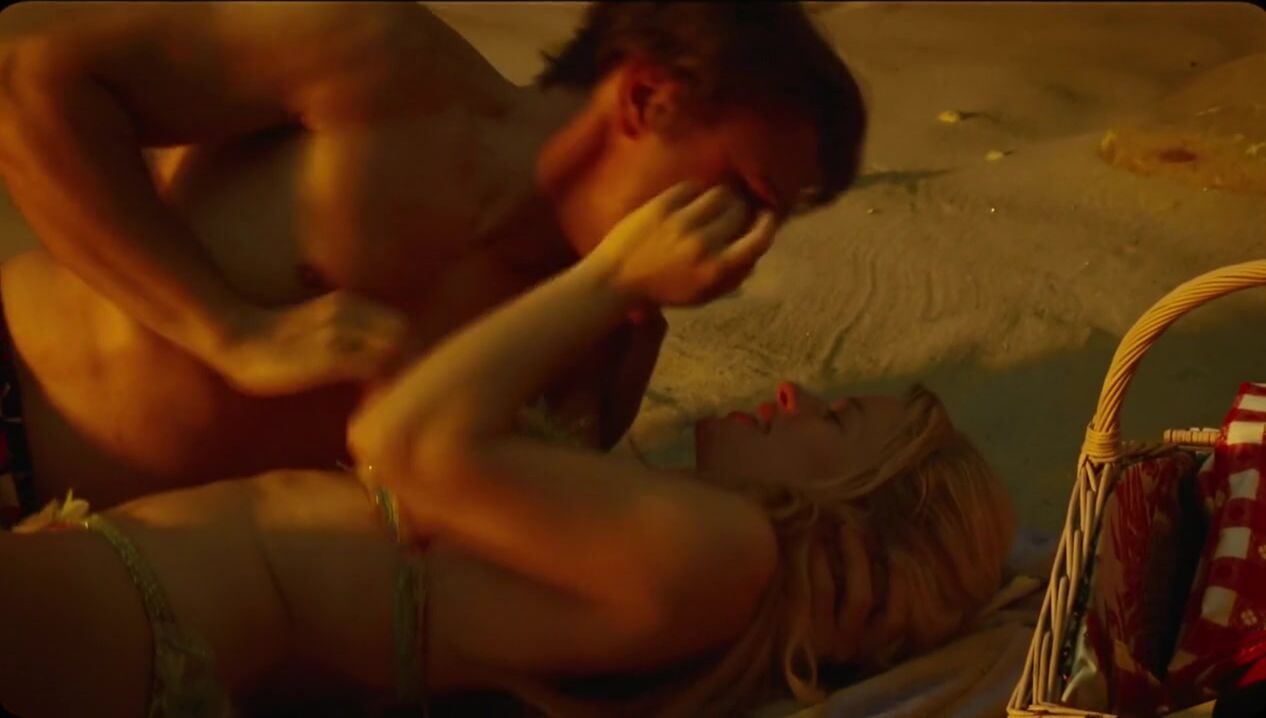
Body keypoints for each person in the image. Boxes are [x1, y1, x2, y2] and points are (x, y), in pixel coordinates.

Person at [0, 184, 1014, 717]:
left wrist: (614, 277)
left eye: (836, 421)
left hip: (148, 613)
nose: (796, 394)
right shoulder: (686, 567)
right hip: (142, 605)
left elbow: (402, 442)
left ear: (854, 527)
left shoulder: (727, 555)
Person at [0, 1, 866, 521]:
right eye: (747, 193)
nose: (750, 247)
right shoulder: (377, 64)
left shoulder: (600, 350)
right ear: (649, 100)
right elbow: (29, 85)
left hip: (84, 575)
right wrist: (230, 331)